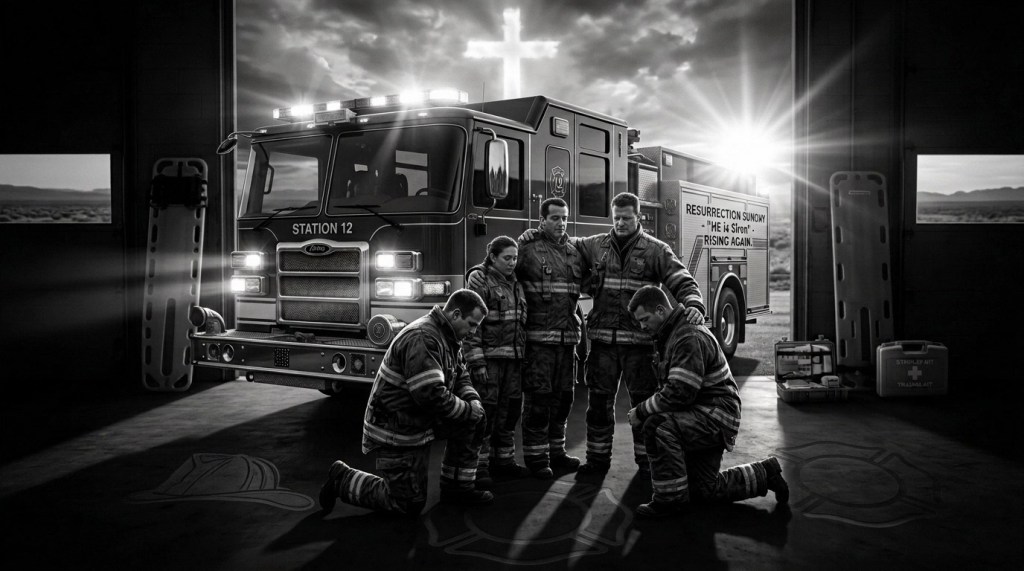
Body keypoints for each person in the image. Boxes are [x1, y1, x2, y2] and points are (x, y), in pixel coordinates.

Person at [520, 192, 705, 476]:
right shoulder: (594, 246)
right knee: (598, 406)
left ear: (639, 217)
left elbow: (681, 279)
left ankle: (647, 463)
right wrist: (533, 236)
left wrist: (693, 303)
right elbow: (558, 244)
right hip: (603, 344)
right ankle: (597, 461)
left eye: (626, 218)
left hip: (641, 345)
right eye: (616, 217)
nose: (620, 223)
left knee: (644, 407)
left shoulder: (656, 250)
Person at [319, 289, 492, 516]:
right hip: (396, 429)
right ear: (456, 314)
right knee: (407, 504)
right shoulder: (424, 338)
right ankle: (342, 479)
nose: (473, 332)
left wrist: (472, 401)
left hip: (418, 420)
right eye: (472, 324)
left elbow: (460, 374)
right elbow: (431, 395)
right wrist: (469, 410)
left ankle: (457, 488)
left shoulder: (448, 336)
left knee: (475, 417)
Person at [627, 285, 788, 518]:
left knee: (657, 425)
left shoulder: (686, 337)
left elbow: (679, 393)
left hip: (714, 416)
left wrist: (641, 411)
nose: (642, 326)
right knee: (704, 490)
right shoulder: (672, 334)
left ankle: (670, 503)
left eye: (644, 319)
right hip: (706, 413)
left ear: (661, 310)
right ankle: (766, 473)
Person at [468, 198, 586, 478]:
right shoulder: (528, 249)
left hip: (566, 342)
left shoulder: (574, 252)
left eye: (564, 218)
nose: (561, 223)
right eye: (554, 218)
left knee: (563, 400)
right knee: (538, 402)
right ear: (542, 219)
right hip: (537, 343)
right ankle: (536, 458)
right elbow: (497, 272)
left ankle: (556, 452)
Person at [463, 236, 530, 489]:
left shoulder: (517, 284)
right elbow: (471, 329)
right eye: (507, 258)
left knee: (510, 412)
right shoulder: (481, 283)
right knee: (486, 415)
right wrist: (477, 363)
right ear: (492, 258)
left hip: (513, 362)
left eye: (515, 258)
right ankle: (478, 468)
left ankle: (504, 462)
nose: (512, 263)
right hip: (489, 362)